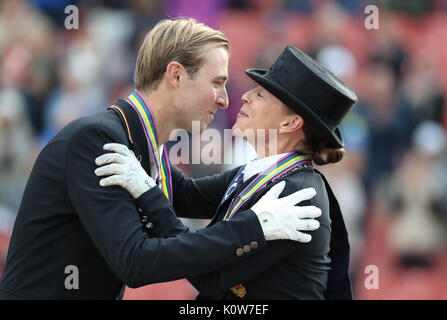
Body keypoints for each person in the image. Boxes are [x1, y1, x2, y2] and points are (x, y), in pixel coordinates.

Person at [0, 19, 322, 300]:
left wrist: (280, 164)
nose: (225, 99)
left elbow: (192, 196)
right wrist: (256, 227)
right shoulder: (98, 140)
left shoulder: (145, 146)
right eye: (217, 83)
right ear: (177, 76)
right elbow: (136, 261)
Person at [95, 46, 358, 299]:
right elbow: (184, 195)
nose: (245, 96)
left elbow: (208, 275)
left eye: (260, 94)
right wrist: (157, 130)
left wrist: (147, 191)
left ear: (290, 122)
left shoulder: (296, 193)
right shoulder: (267, 174)